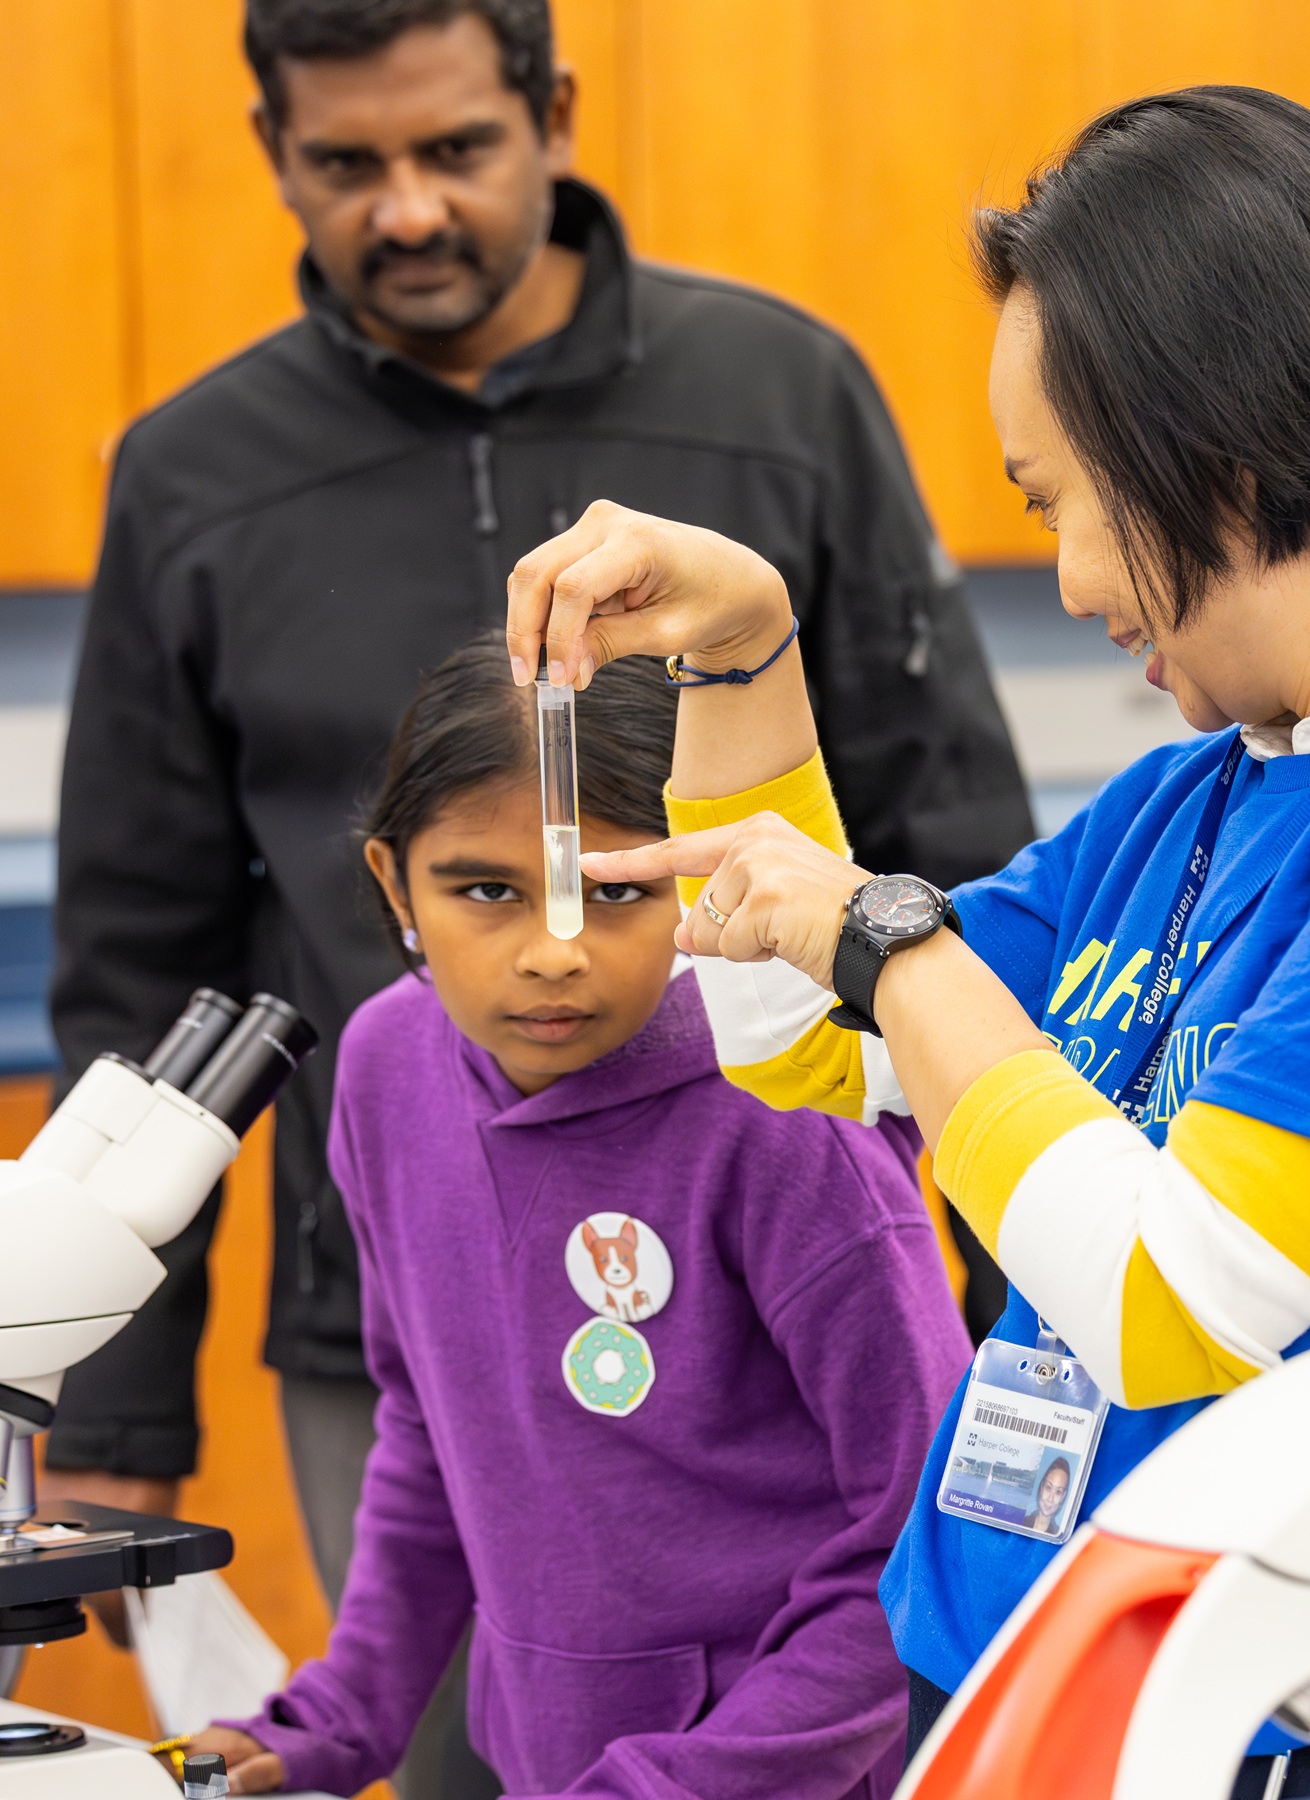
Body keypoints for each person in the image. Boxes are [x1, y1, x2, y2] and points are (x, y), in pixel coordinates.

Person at [502, 88, 1310, 1800]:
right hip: (1035, 1663)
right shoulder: (1203, 790)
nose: (1065, 580)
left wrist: (890, 938)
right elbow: (821, 1058)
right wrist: (745, 662)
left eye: (1062, 501)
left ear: (1220, 456)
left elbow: (1178, 1298)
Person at [45, 0, 1026, 1736]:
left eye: (455, 150)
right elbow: (141, 945)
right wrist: (115, 1415)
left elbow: (952, 850)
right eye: (348, 166)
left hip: (765, 1270)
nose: (407, 209)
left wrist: (1031, 1287)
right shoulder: (189, 479)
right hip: (400, 1315)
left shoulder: (782, 395)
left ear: (554, 114)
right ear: (274, 150)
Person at [178, 637, 971, 1798]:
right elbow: (430, 1425)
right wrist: (347, 1713)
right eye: (486, 890)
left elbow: (923, 1531)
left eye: (617, 892)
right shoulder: (386, 1066)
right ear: (394, 884)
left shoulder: (791, 1119)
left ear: (702, 884)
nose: (554, 952)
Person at [1022, 1457, 1070, 1536]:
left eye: (1058, 1492)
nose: (1050, 1499)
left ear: (1063, 1496)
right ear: (1041, 1487)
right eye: (1048, 1488)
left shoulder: (1058, 1537)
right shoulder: (1020, 1522)